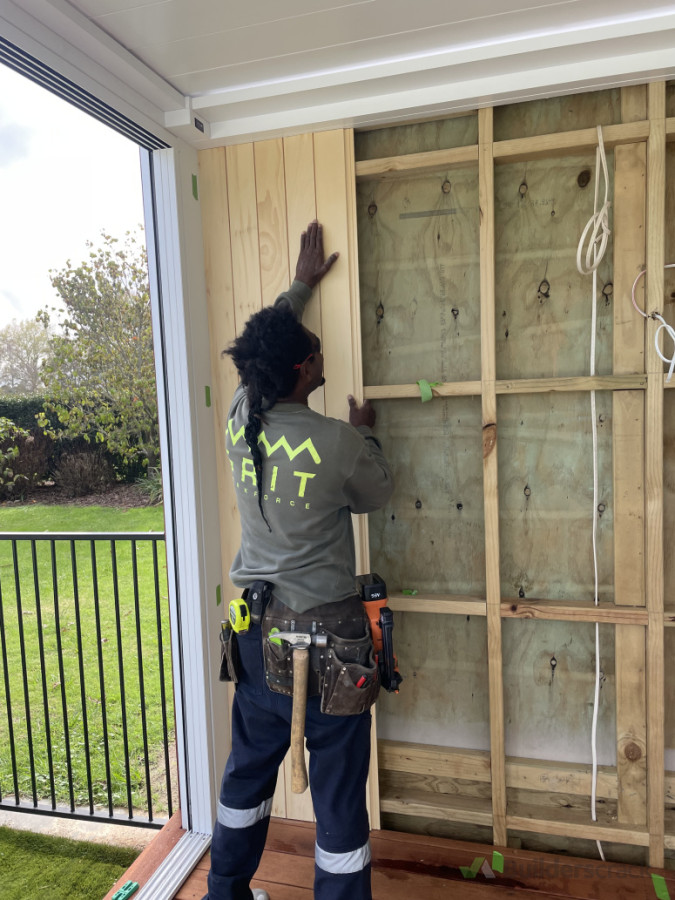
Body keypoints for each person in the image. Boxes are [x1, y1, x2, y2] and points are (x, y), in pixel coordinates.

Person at [203, 220, 394, 900]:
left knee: (246, 775)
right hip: (333, 639)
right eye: (312, 357)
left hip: (257, 634)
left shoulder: (237, 415)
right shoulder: (336, 442)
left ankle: (225, 892)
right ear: (299, 373)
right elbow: (377, 493)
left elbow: (269, 343)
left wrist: (301, 286)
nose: (320, 360)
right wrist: (367, 434)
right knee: (338, 793)